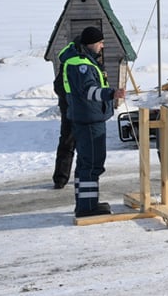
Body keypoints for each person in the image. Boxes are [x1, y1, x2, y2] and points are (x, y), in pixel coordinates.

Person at [62, 26, 125, 218]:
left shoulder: (81, 60)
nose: (102, 46)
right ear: (91, 43)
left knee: (84, 163)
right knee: (92, 163)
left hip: (86, 117)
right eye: (100, 42)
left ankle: (84, 203)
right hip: (89, 119)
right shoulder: (81, 65)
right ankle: (87, 207)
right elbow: (89, 91)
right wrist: (112, 93)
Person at [52, 37, 81, 189]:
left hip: (71, 107)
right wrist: (72, 99)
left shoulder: (69, 59)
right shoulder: (73, 62)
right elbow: (58, 86)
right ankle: (61, 178)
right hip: (71, 108)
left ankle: (62, 178)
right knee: (69, 142)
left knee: (68, 143)